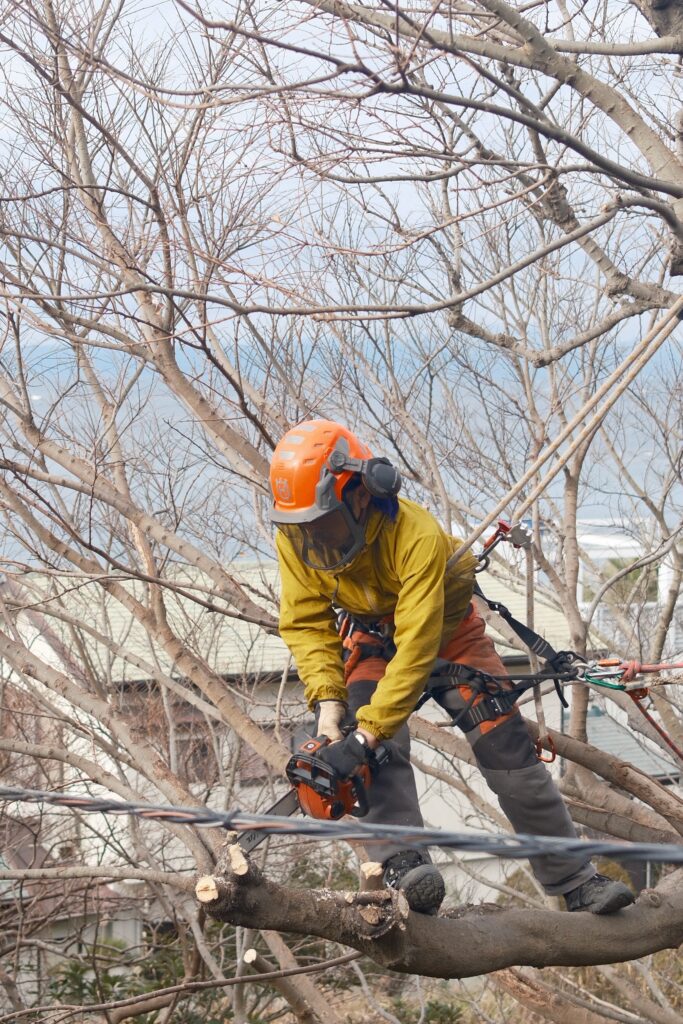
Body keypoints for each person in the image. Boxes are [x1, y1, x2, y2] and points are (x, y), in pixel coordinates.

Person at [270, 419, 635, 916]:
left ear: (361, 492)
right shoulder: (298, 539)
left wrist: (365, 737)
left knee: (504, 745)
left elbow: (417, 646)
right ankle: (403, 862)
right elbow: (306, 624)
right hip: (373, 635)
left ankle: (576, 880)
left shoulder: (414, 534)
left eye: (325, 524)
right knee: (364, 736)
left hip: (447, 631)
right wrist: (329, 710)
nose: (316, 538)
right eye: (304, 528)